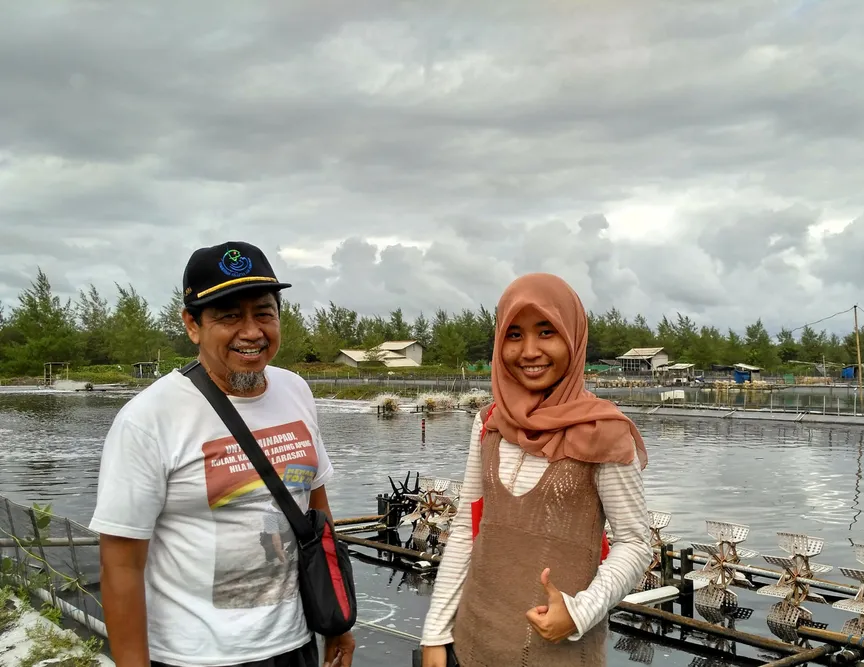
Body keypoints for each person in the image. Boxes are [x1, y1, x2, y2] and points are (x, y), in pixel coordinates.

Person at [89, 241, 354, 667]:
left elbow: (316, 507)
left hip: (295, 643)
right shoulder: (149, 418)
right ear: (192, 325)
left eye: (263, 313)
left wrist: (337, 620)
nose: (251, 332)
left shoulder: (296, 390)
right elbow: (120, 564)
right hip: (194, 656)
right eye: (229, 316)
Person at [420, 272, 652, 666]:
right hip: (472, 639)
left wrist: (579, 612)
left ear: (573, 338)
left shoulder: (604, 431)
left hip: (558, 653)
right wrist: (436, 634)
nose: (529, 351)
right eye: (514, 334)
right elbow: (465, 527)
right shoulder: (489, 422)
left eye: (546, 332)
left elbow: (634, 543)